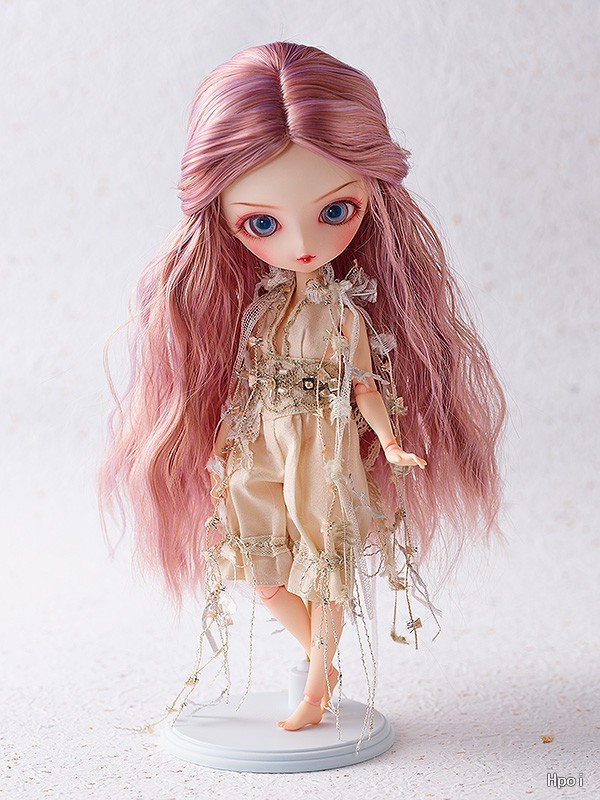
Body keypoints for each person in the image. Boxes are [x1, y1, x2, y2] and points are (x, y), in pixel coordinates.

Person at [98, 42, 507, 738]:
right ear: (223, 218)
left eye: (335, 210)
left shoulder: (343, 312)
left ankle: (317, 682)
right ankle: (324, 661)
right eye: (263, 223)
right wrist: (217, 440)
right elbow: (245, 379)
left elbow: (363, 382)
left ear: (371, 198)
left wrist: (390, 441)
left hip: (322, 442)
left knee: (324, 561)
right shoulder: (261, 308)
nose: (302, 243)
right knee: (259, 566)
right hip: (262, 438)